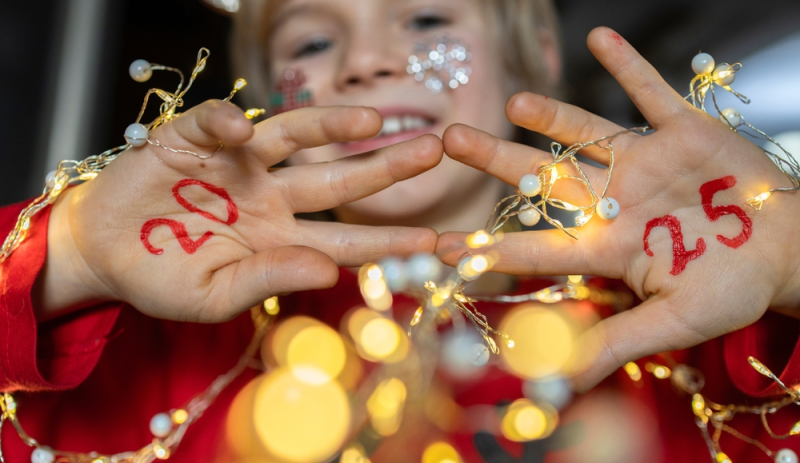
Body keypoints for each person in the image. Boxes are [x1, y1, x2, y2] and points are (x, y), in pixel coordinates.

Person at [2, 0, 799, 462]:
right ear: (278, 98)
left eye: (424, 17)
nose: (369, 62)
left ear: (534, 57)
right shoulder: (165, 334)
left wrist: (793, 257)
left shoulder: (698, 329)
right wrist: (66, 255)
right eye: (313, 41)